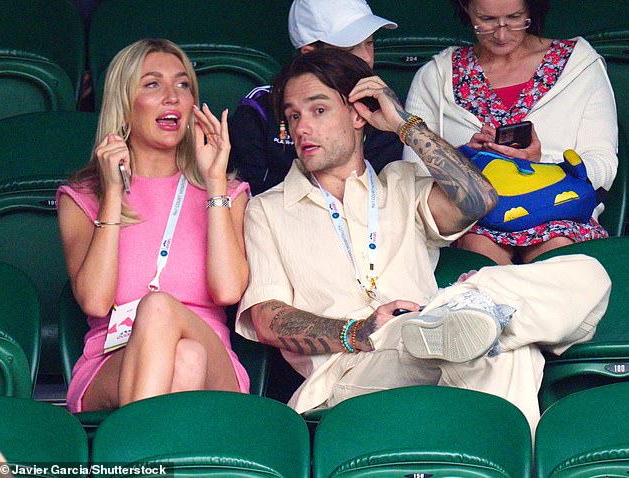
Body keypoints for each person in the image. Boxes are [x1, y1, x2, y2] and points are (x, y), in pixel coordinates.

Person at [235, 48, 611, 431]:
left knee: (587, 274)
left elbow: (480, 199)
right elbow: (268, 318)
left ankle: (469, 313)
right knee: (504, 337)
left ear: (357, 114)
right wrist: (360, 330)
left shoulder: (401, 183)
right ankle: (471, 309)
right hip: (351, 370)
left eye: (318, 111)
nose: (301, 128)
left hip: (437, 338)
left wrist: (406, 126)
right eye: (293, 116)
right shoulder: (267, 209)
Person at [57, 38, 250, 412]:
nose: (172, 96)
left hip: (216, 360)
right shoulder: (82, 198)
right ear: (125, 106)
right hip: (111, 360)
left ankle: (132, 460)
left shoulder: (227, 192)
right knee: (184, 360)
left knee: (168, 320)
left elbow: (227, 290)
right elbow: (96, 301)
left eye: (182, 85)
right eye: (152, 84)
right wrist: (112, 193)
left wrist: (213, 182)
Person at [403, 0, 618, 265]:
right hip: (473, 219)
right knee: (476, 248)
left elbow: (604, 163)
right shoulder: (437, 76)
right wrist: (463, 163)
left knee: (557, 249)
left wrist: (543, 167)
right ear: (465, 8)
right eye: (487, 20)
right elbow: (413, 177)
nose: (502, 34)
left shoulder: (579, 65)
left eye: (515, 18)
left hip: (560, 210)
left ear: (532, 9)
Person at [229, 0, 404, 195]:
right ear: (308, 54)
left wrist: (405, 125)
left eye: (369, 43)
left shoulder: (383, 106)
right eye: (350, 49)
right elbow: (245, 197)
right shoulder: (260, 108)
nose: (366, 57)